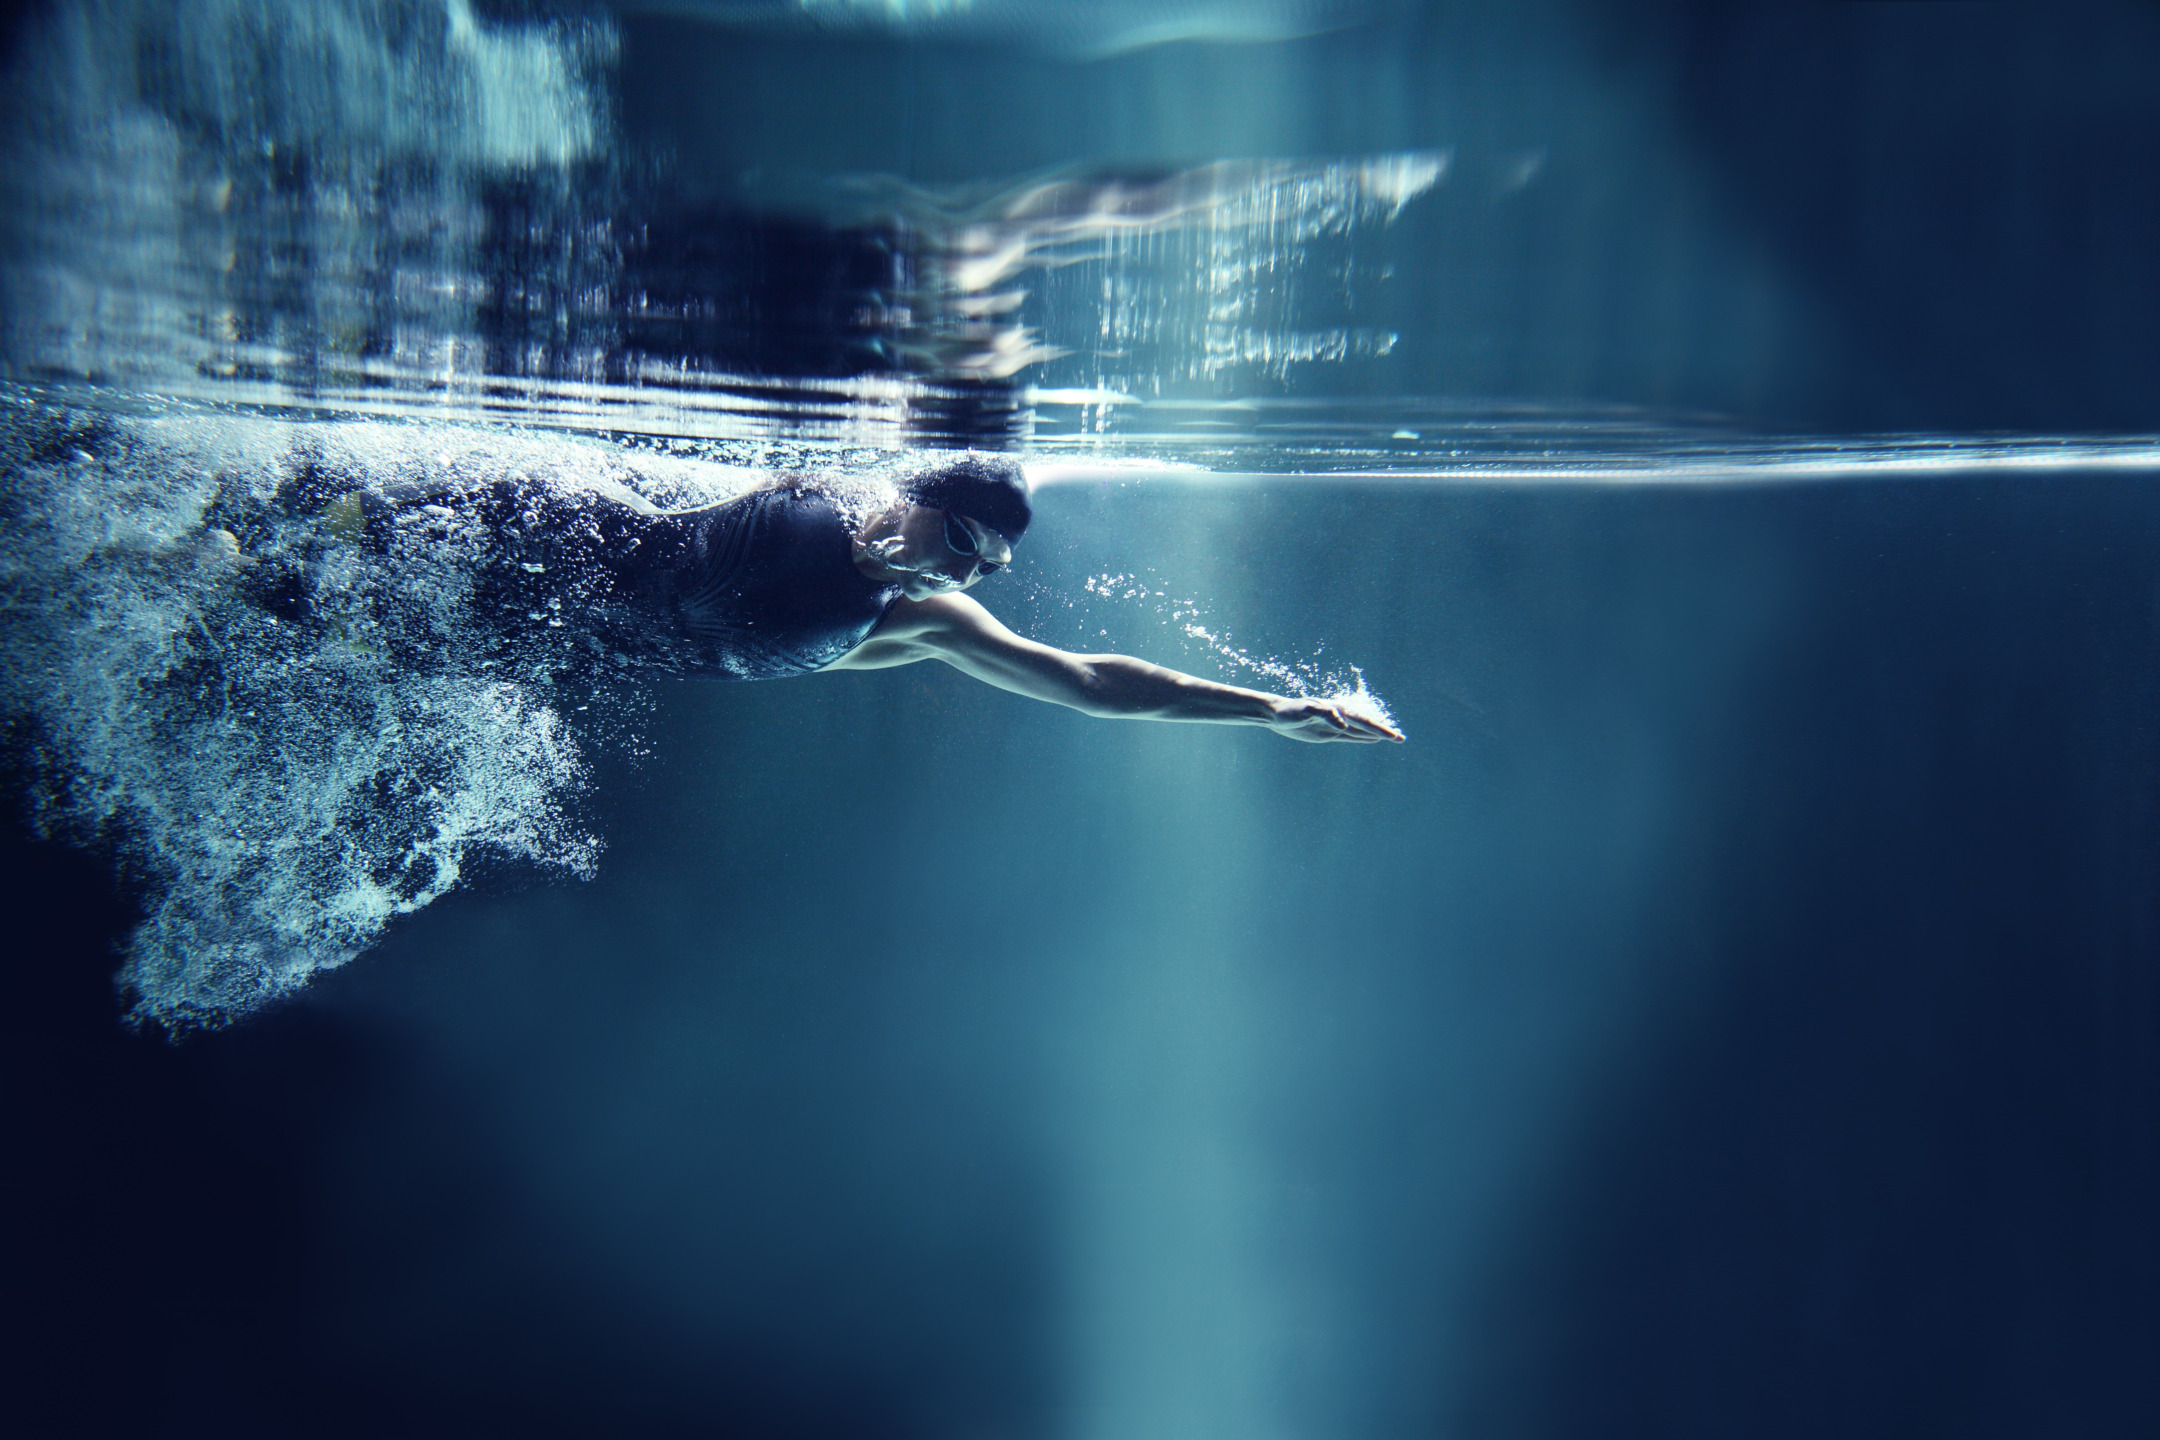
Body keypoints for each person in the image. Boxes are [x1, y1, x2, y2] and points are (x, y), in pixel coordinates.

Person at [375, 453, 1402, 744]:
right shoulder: (811, 488)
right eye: (958, 543)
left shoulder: (919, 623)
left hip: (547, 651)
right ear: (917, 497)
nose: (960, 577)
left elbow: (1088, 681)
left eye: (984, 570)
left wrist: (1271, 711)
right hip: (537, 551)